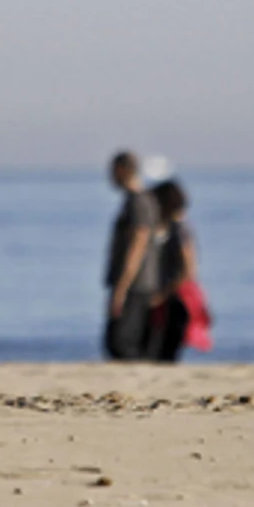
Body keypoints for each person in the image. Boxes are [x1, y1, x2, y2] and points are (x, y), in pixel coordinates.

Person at [103, 151, 162, 361]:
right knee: (123, 343)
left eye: (113, 171)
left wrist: (121, 287)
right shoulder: (140, 200)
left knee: (121, 343)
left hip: (135, 284)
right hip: (139, 282)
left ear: (123, 170)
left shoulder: (138, 202)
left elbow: (138, 245)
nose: (110, 177)